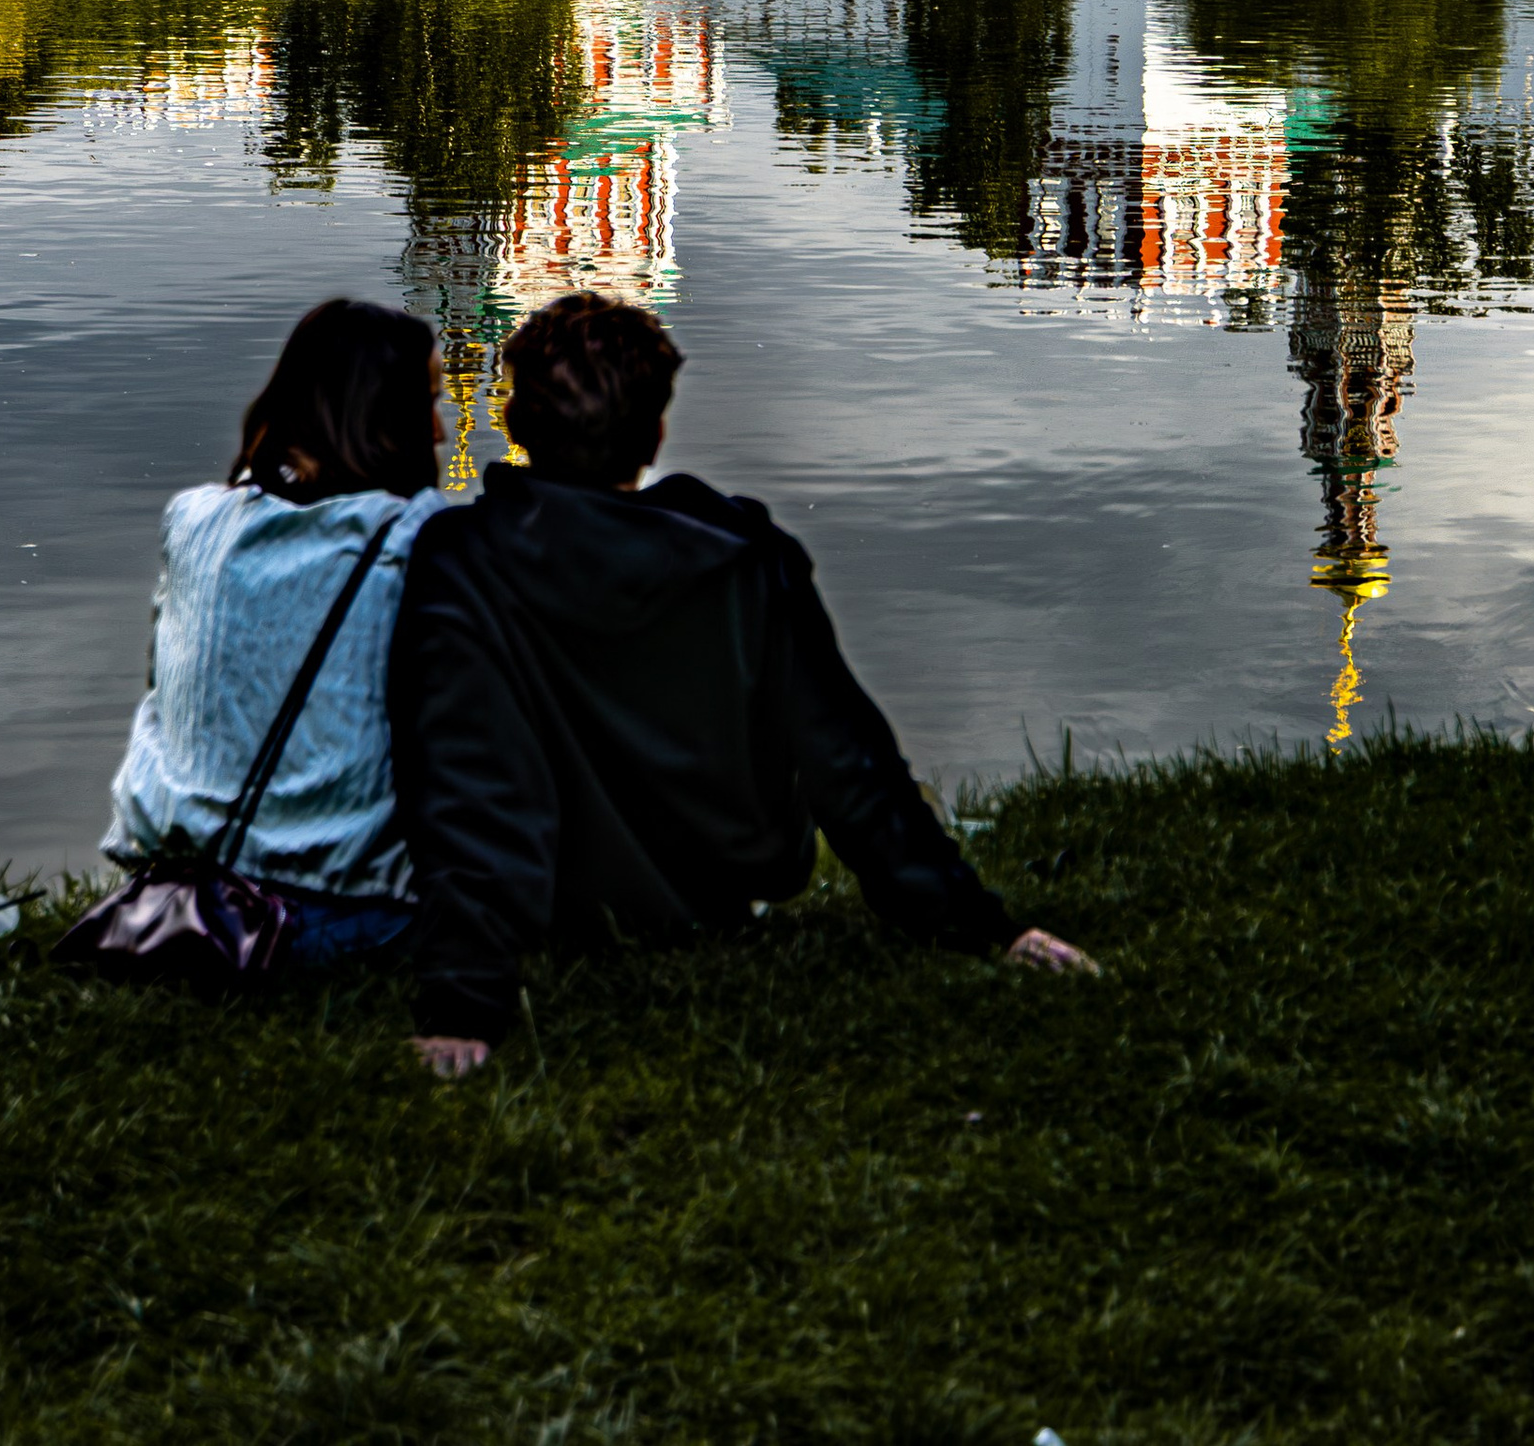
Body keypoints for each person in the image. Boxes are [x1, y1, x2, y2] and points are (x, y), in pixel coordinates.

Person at [390, 293, 1093, 1076]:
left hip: (555, 906)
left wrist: (463, 1006)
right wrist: (982, 927)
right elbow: (848, 764)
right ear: (654, 431)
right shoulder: (746, 553)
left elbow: (467, 786)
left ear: (516, 426)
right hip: (714, 893)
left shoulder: (457, 559)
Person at [104, 298, 446, 966]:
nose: (438, 430)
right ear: (377, 415)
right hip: (329, 910)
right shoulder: (416, 536)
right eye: (426, 402)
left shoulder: (193, 518)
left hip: (168, 892)